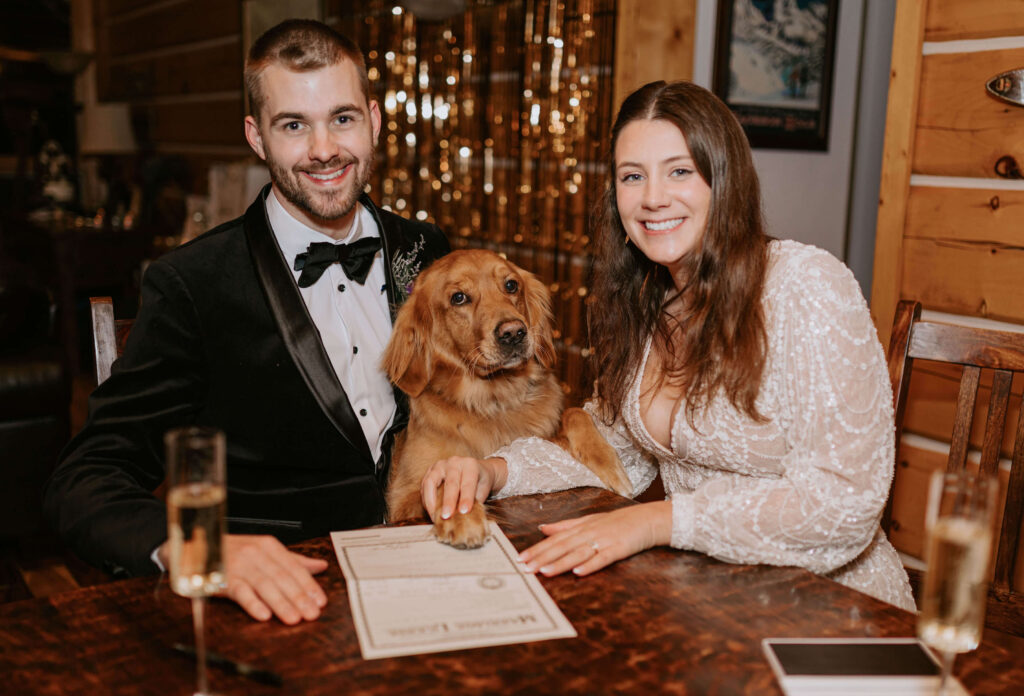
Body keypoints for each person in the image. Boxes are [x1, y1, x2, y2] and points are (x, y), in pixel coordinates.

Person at [422, 80, 915, 610]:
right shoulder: (643, 302)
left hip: (828, 606)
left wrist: (658, 520)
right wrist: (493, 471)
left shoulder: (806, 286)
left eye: (679, 171)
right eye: (633, 177)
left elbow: (847, 503)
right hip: (701, 598)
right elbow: (614, 455)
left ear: (723, 179)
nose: (653, 197)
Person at [45, 20, 449, 624]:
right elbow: (86, 477)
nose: (324, 149)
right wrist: (205, 551)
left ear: (374, 119)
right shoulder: (192, 283)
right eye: (293, 125)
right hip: (282, 601)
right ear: (256, 137)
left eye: (342, 118)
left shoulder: (428, 249)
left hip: (434, 566)